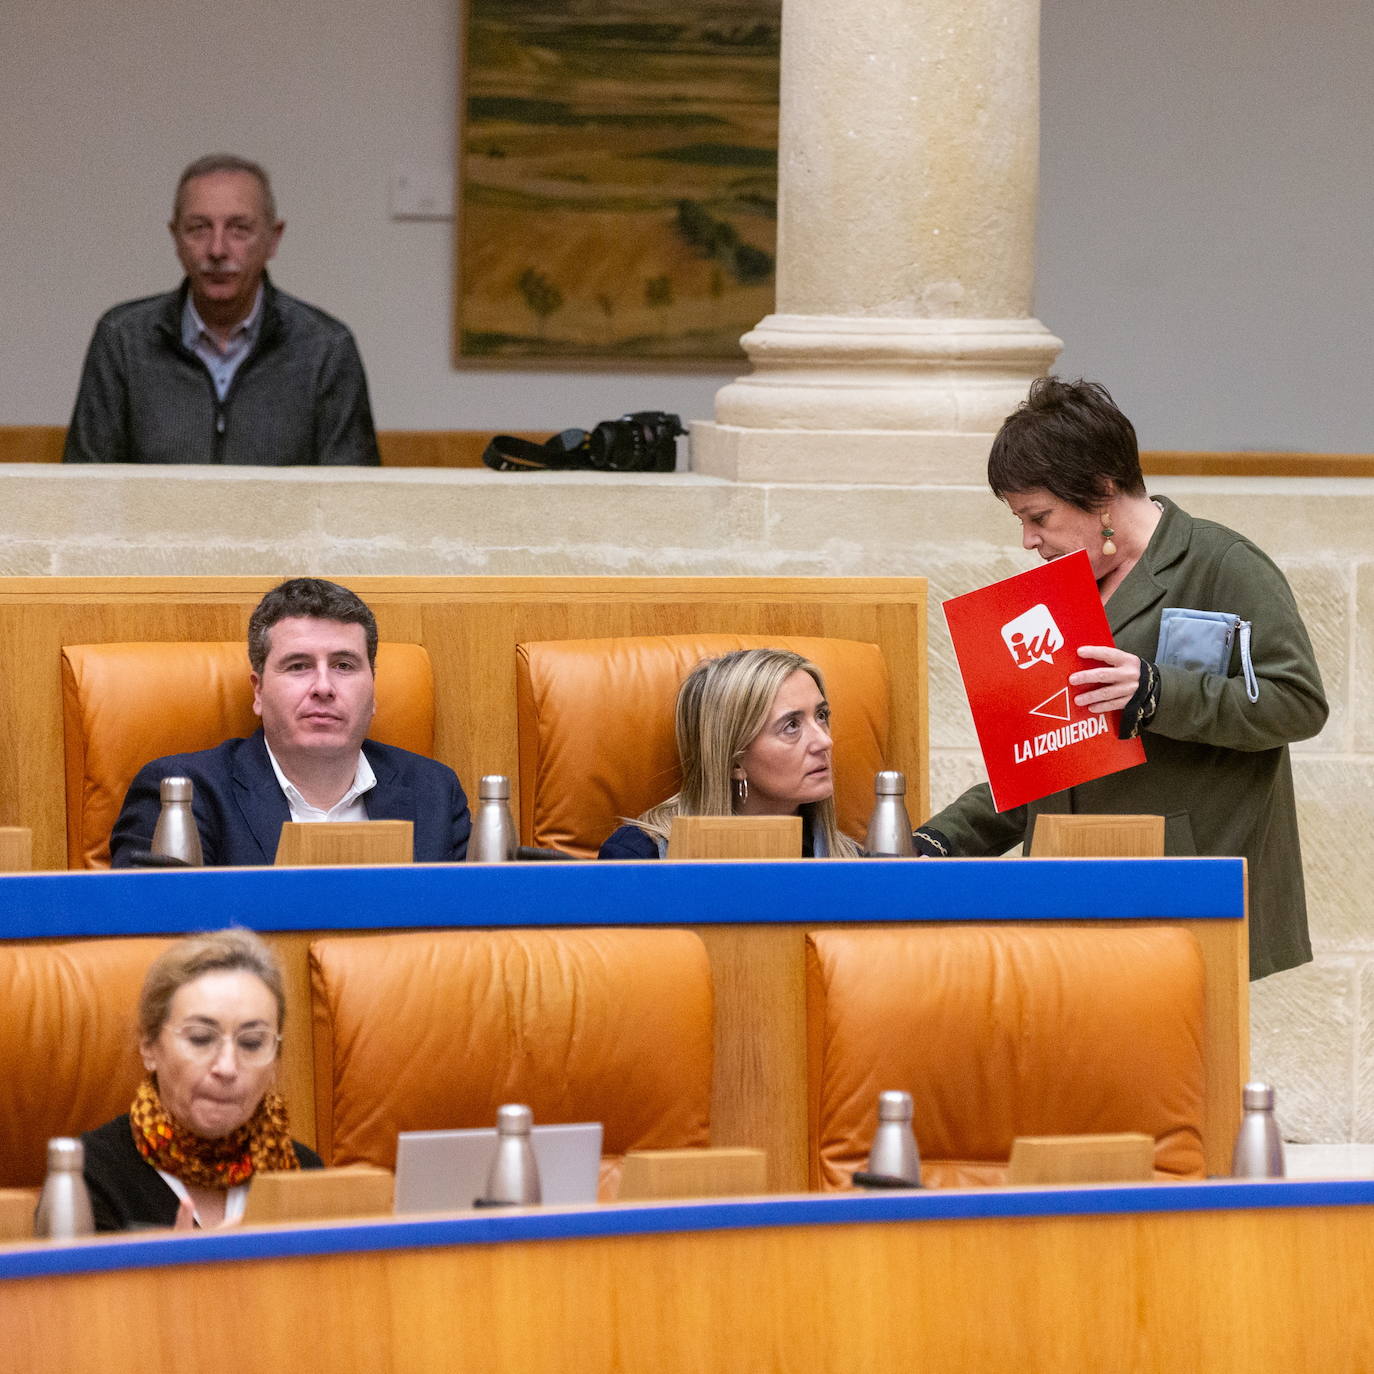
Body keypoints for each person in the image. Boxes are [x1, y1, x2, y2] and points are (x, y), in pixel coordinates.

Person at [916, 377, 1327, 979]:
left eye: (1039, 517)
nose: (1029, 540)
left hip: (1182, 891)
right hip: (1068, 889)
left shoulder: (1223, 563)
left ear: (1102, 492)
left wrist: (1159, 692)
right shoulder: (1057, 595)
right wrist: (942, 843)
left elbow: (1297, 703)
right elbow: (1045, 759)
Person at [109, 577, 471, 865]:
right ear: (259, 692)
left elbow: (475, 932)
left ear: (373, 692)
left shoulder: (434, 791)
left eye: (344, 665)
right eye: (298, 666)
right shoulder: (184, 794)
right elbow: (154, 937)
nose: (324, 687)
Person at [62, 153, 380, 466]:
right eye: (199, 228)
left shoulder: (325, 348)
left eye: (239, 229)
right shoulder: (123, 340)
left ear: (273, 239)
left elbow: (352, 501)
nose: (217, 249)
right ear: (175, 237)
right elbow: (85, 490)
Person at [82, 928, 322, 1231]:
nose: (227, 1067)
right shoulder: (89, 1175)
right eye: (200, 1038)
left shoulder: (304, 1173)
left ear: (276, 1057)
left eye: (251, 1043)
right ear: (150, 1046)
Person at [598, 648, 863, 859]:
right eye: (791, 725)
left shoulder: (855, 862)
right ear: (734, 761)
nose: (824, 740)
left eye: (821, 716)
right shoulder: (639, 859)